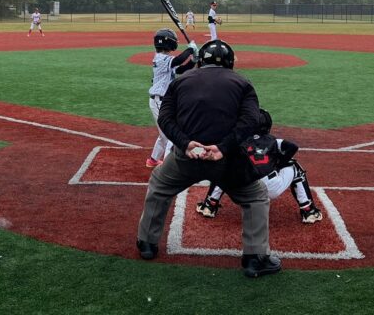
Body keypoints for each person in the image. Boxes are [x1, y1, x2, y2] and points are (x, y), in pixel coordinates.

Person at [136, 39, 281, 278]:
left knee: (159, 187)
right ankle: (255, 259)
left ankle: (147, 244)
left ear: (200, 61)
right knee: (255, 197)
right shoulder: (243, 83)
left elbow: (165, 119)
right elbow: (251, 122)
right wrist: (223, 147)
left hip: (186, 157)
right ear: (230, 63)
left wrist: (185, 144)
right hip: (228, 160)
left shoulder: (181, 81)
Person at [196, 108, 323, 224]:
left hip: (245, 188)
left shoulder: (238, 140)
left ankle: (209, 206)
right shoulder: (273, 140)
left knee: (225, 167)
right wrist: (278, 163)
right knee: (295, 166)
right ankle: (309, 211)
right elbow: (293, 147)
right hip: (272, 187)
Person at [145, 29, 198, 168]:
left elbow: (181, 69)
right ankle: (169, 167)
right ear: (168, 42)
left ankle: (153, 160)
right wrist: (190, 49)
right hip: (159, 101)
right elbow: (179, 60)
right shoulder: (161, 58)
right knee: (170, 134)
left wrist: (193, 60)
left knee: (164, 133)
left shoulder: (165, 59)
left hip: (164, 101)